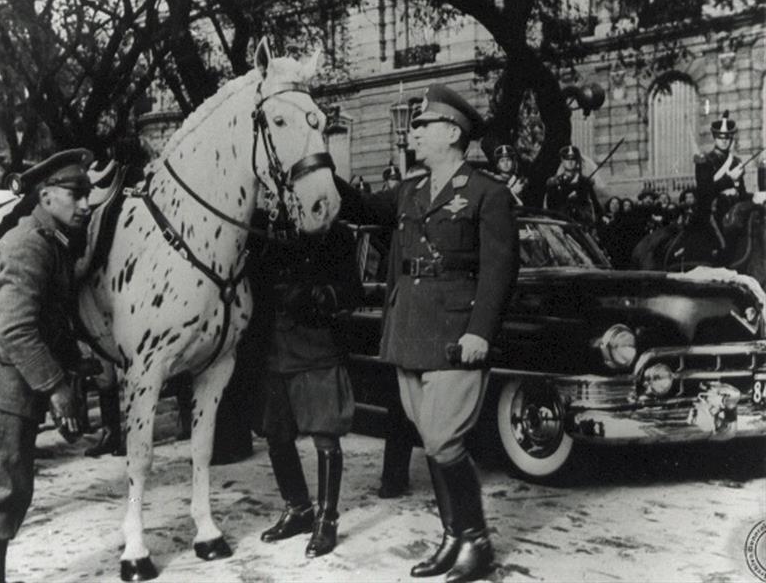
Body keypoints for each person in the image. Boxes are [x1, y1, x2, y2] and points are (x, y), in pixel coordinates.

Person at [337, 83, 519, 582]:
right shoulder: (410, 190)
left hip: (457, 333)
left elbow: (500, 270)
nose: (412, 132)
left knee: (443, 442)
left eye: (423, 125)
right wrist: (318, 167)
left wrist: (481, 331)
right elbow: (359, 208)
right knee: (430, 439)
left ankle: (476, 542)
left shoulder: (487, 193)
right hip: (410, 330)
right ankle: (452, 538)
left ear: (452, 133)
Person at [0, 149, 92, 582]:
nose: (86, 203)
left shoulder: (50, 243)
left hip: (3, 382)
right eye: (75, 193)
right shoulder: (29, 245)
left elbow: (51, 321)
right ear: (46, 195)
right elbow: (17, 329)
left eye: (88, 193)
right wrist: (57, 388)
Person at [255, 216, 364, 559]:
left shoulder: (335, 235)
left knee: (325, 434)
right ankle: (298, 508)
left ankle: (326, 520)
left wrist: (319, 295)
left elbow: (353, 291)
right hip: (274, 345)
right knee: (276, 433)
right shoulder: (267, 229)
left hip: (316, 345)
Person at [695, 110, 747, 226]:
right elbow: (704, 191)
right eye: (720, 137)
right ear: (715, 137)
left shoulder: (735, 162)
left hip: (734, 211)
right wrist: (730, 179)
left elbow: (742, 193)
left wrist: (738, 184)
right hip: (711, 213)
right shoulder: (704, 160)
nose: (724, 141)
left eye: (727, 138)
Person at [544, 145, 603, 232]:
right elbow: (550, 207)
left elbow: (594, 204)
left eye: (573, 159)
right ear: (562, 161)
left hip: (582, 227)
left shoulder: (585, 182)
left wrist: (601, 217)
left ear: (577, 161)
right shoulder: (554, 183)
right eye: (567, 159)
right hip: (561, 227)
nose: (570, 162)